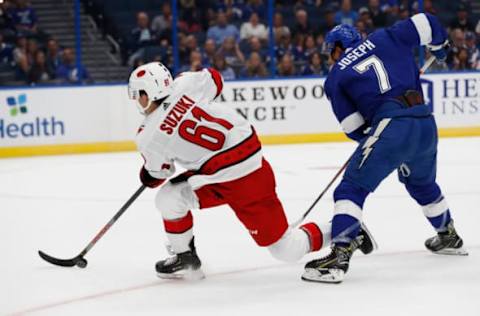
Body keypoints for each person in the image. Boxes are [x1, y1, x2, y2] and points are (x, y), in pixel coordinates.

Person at [127, 62, 376, 279]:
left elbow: (158, 174)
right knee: (169, 198)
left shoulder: (148, 135)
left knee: (285, 248)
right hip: (231, 170)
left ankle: (347, 228)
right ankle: (185, 259)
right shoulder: (185, 84)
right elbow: (216, 78)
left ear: (150, 92)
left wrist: (146, 175)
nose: (138, 101)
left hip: (242, 181)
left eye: (139, 95)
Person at [302, 14, 468, 284]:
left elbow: (353, 126)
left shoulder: (335, 77)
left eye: (331, 52)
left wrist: (376, 139)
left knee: (350, 189)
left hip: (391, 124)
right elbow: (427, 21)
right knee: (422, 184)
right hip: (425, 122)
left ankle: (339, 255)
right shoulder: (386, 37)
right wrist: (439, 46)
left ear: (337, 48)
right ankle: (448, 235)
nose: (331, 58)